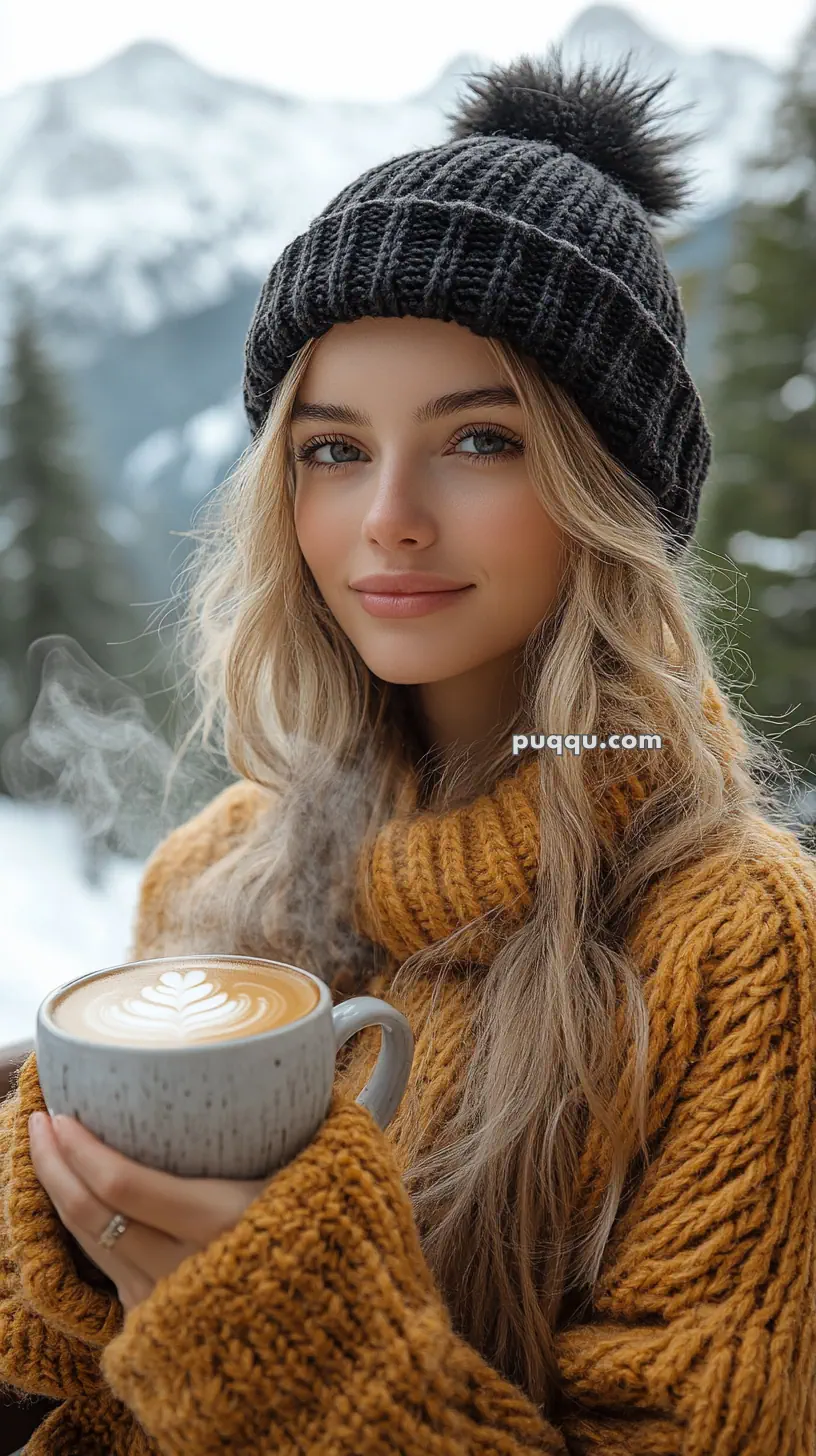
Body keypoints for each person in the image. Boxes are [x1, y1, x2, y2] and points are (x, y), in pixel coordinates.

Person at [2, 46, 815, 1456]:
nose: (387, 517)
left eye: (483, 440)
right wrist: (75, 1255)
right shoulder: (214, 869)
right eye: (330, 450)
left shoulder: (738, 946)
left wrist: (286, 1340)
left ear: (606, 493)